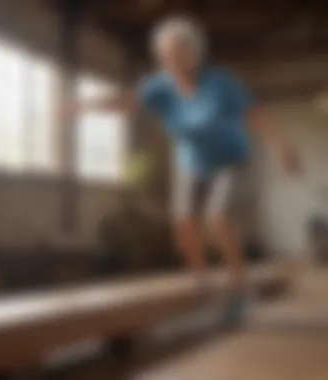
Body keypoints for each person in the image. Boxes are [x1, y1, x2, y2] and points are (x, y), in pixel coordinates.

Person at [68, 16, 301, 326]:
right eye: (164, 55)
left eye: (177, 52)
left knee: (216, 217)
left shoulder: (220, 82)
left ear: (194, 54)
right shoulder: (159, 86)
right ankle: (202, 280)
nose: (170, 60)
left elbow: (256, 114)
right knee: (183, 221)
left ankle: (238, 288)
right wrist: (87, 106)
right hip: (192, 160)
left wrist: (283, 147)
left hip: (231, 158)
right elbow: (126, 102)